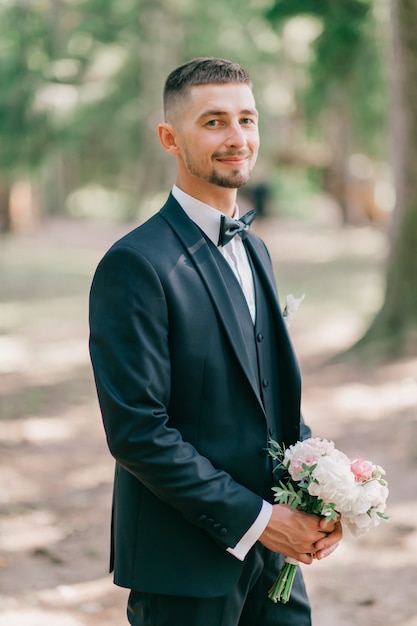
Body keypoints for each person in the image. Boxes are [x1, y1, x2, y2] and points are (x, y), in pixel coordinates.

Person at [89, 57, 342, 626]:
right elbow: (137, 432)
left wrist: (323, 495)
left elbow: (269, 399)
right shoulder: (135, 264)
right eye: (213, 122)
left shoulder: (255, 248)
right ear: (169, 138)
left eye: (247, 120)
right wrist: (259, 519)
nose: (237, 138)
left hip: (273, 559)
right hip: (182, 563)